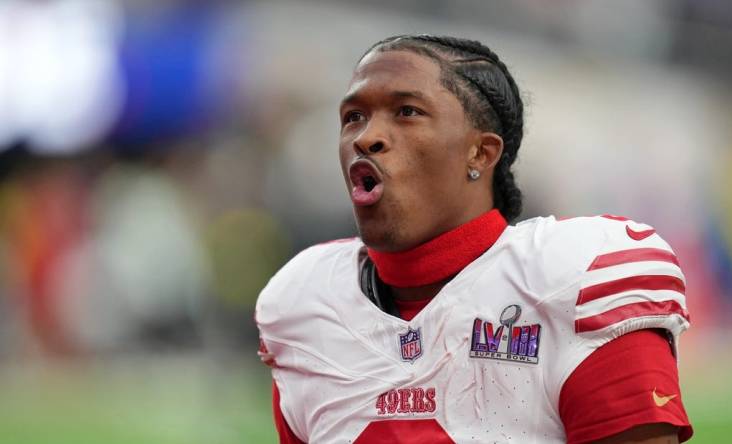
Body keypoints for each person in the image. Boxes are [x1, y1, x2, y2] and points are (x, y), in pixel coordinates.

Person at [255, 34, 692, 443]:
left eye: (407, 111)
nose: (366, 137)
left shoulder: (571, 279)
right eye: (354, 117)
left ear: (481, 152)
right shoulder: (305, 305)